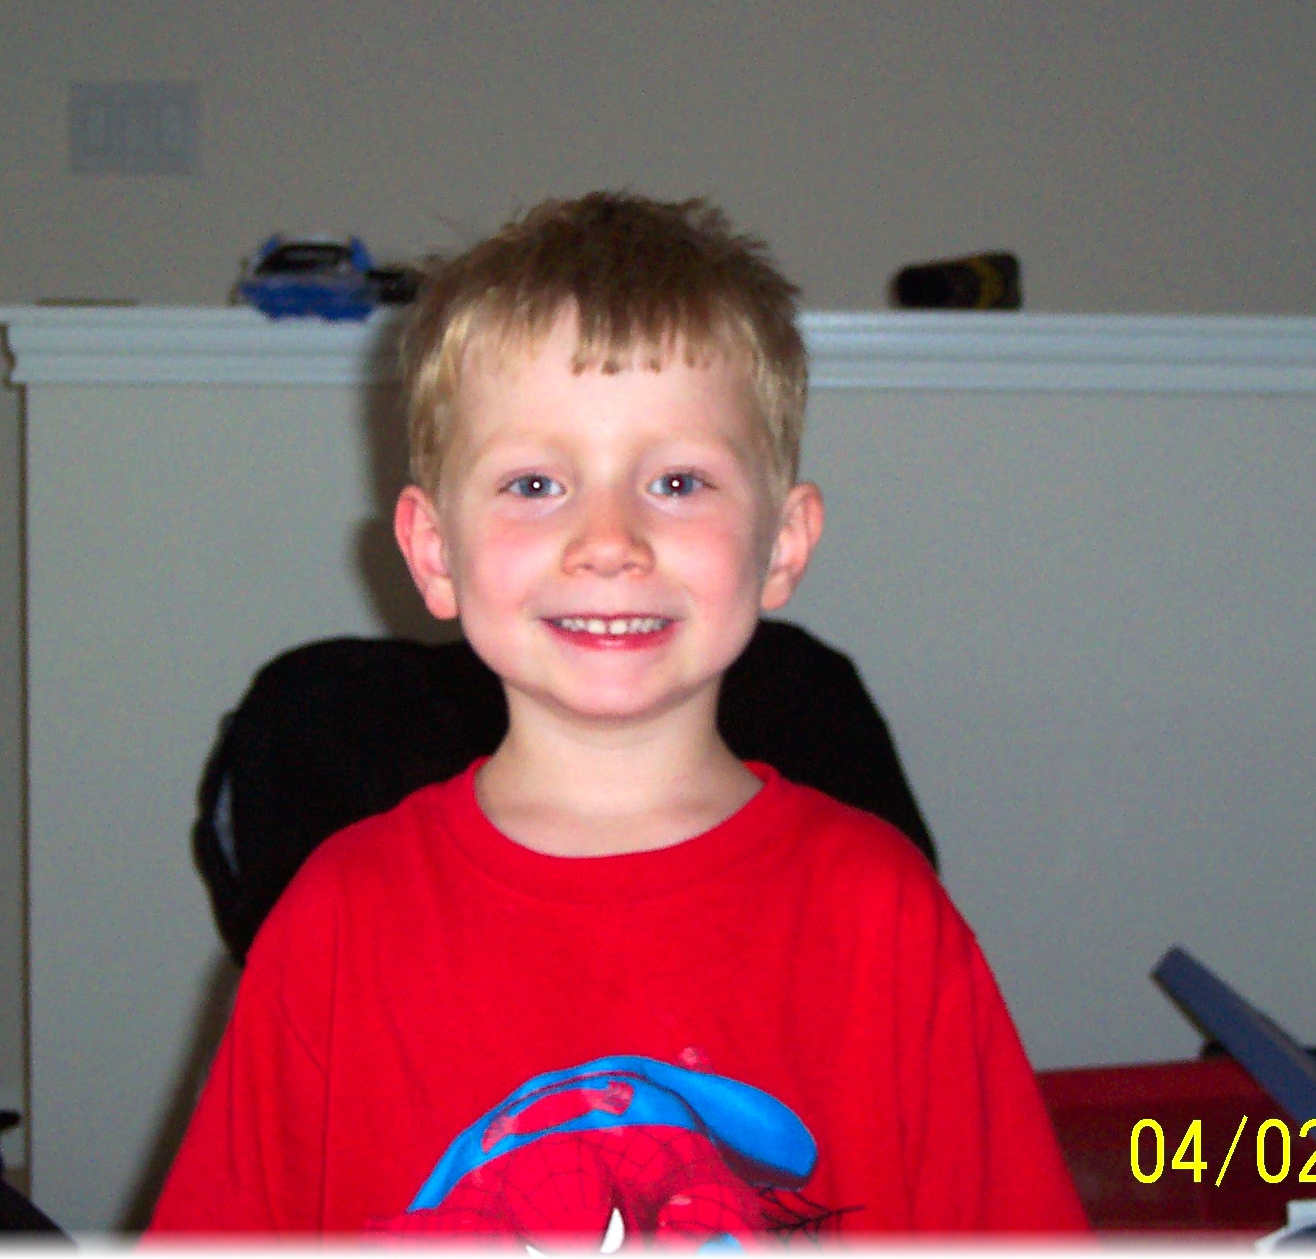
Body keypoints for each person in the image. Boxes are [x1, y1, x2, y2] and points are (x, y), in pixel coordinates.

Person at [147, 192, 1090, 1242]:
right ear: (434, 553)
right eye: (535, 483)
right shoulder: (336, 925)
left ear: (782, 543)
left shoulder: (884, 919)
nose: (608, 541)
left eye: (677, 481)